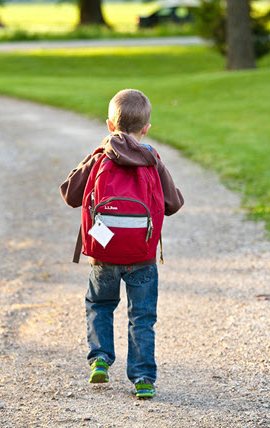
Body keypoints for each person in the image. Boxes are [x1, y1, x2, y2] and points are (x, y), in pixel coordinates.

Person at [60, 89, 184, 398]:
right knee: (141, 316)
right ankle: (143, 378)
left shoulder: (101, 156)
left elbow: (70, 194)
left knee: (100, 305)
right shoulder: (152, 159)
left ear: (109, 125)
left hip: (104, 254)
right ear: (146, 128)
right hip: (142, 256)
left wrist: (95, 154)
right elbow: (174, 203)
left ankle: (100, 359)